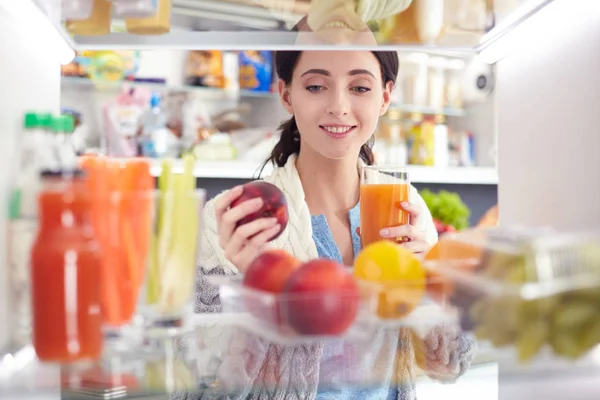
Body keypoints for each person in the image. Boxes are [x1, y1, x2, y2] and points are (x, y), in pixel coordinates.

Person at [192, 50, 476, 399]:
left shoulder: (405, 203)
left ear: (385, 97)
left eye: (359, 88)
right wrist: (256, 290)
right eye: (315, 86)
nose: (339, 106)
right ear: (286, 94)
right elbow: (201, 387)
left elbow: (448, 363)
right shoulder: (236, 218)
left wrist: (428, 285)